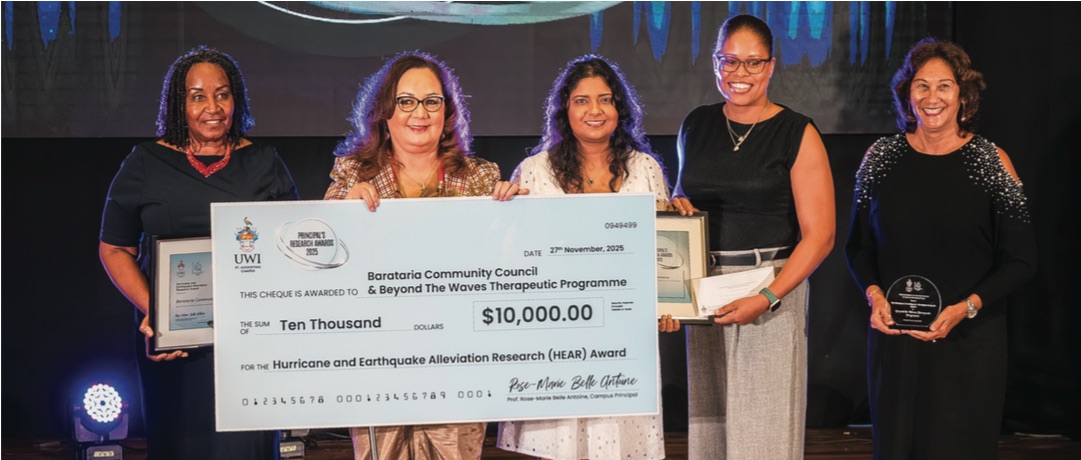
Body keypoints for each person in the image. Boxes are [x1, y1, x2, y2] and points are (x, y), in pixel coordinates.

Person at [99, 46, 296, 459]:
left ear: (236, 99)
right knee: (180, 444)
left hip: (249, 337)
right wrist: (157, 313)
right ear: (179, 103)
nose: (213, 108)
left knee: (248, 446)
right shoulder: (145, 163)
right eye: (198, 96)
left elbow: (289, 249)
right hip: (176, 343)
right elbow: (115, 248)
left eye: (222, 95)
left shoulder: (265, 162)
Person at [845, 38, 1036, 459]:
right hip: (897, 341)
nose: (932, 97)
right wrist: (875, 296)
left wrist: (965, 308)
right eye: (922, 85)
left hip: (968, 341)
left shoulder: (991, 162)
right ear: (907, 94)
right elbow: (858, 247)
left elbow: (1022, 260)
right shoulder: (879, 158)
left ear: (963, 95)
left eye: (944, 86)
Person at [324, 51, 517, 460]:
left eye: (432, 101)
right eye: (406, 101)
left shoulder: (481, 177)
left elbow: (505, 264)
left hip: (459, 354)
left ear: (447, 112)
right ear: (384, 111)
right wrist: (341, 213)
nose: (420, 113)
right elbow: (324, 258)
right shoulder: (352, 174)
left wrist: (513, 215)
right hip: (378, 354)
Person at [659, 14, 835, 459]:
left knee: (763, 435)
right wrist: (678, 205)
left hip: (768, 287)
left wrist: (767, 296)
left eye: (753, 62)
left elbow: (821, 236)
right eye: (729, 60)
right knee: (711, 431)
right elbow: (683, 196)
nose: (740, 73)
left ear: (771, 66)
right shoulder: (696, 124)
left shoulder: (797, 132)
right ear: (715, 63)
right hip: (706, 291)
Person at [495, 55, 670, 460]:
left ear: (619, 109)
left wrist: (669, 305)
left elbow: (663, 250)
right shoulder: (534, 171)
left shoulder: (645, 169)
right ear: (565, 109)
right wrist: (499, 209)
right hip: (554, 334)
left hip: (623, 338)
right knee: (558, 446)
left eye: (605, 99)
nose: (595, 110)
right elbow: (512, 256)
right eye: (581, 100)